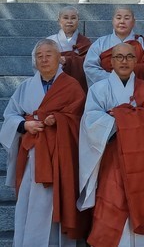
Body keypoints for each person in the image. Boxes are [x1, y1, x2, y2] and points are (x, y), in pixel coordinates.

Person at [78, 43, 144, 247]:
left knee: (142, 207)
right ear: (111, 62)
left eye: (129, 57)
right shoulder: (98, 89)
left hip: (143, 160)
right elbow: (91, 121)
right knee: (112, 200)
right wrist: (132, 117)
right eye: (119, 57)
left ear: (136, 61)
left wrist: (120, 115)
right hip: (112, 158)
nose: (124, 61)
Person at [0, 39, 88, 246]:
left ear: (59, 58)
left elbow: (80, 120)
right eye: (39, 56)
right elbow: (10, 115)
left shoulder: (72, 86)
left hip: (60, 155)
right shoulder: (25, 87)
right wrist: (24, 125)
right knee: (29, 201)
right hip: (32, 154)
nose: (44, 59)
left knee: (56, 201)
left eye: (49, 55)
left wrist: (59, 120)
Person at [84, 6, 144, 88]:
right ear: (113, 21)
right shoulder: (100, 43)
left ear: (134, 22)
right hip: (107, 89)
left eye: (127, 18)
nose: (122, 21)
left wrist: (130, 73)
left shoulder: (142, 42)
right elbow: (90, 67)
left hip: (137, 89)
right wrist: (113, 79)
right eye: (118, 18)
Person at [46, 6, 91, 91]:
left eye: (73, 18)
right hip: (55, 83)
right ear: (59, 21)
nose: (69, 21)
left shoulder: (85, 42)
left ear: (78, 20)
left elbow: (90, 64)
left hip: (78, 84)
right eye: (65, 18)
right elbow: (39, 62)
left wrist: (67, 60)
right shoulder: (49, 41)